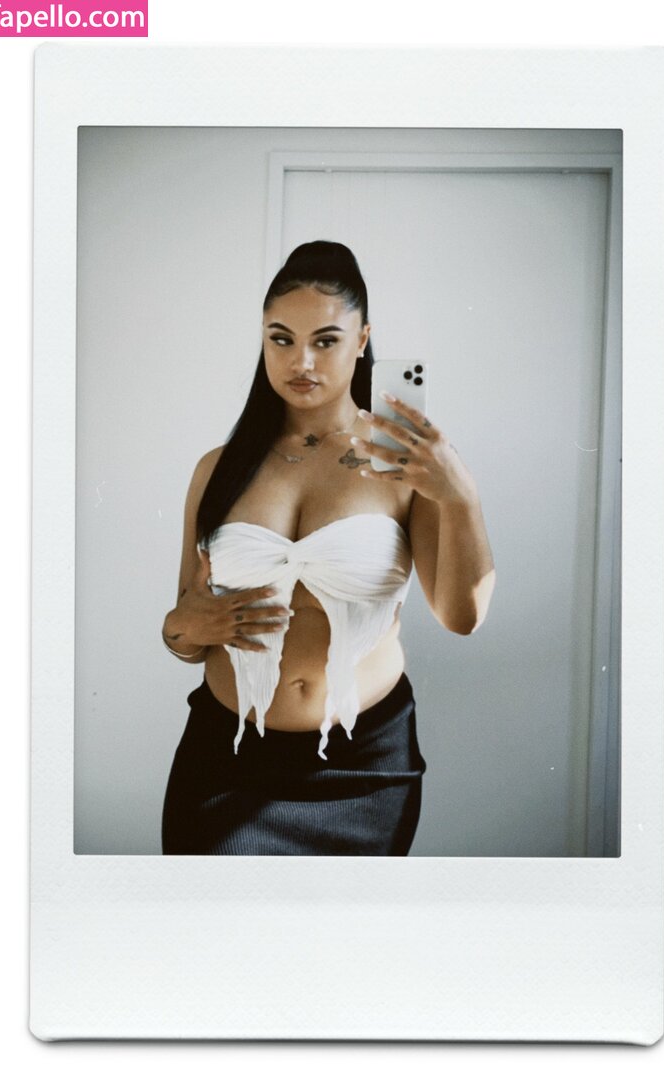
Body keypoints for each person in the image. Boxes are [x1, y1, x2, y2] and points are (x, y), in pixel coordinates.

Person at [160, 240, 496, 856]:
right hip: (225, 759)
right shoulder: (218, 469)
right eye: (281, 339)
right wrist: (183, 628)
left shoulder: (404, 468)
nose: (302, 361)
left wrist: (461, 496)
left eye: (326, 340)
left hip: (362, 770)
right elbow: (184, 627)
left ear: (362, 340)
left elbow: (462, 616)